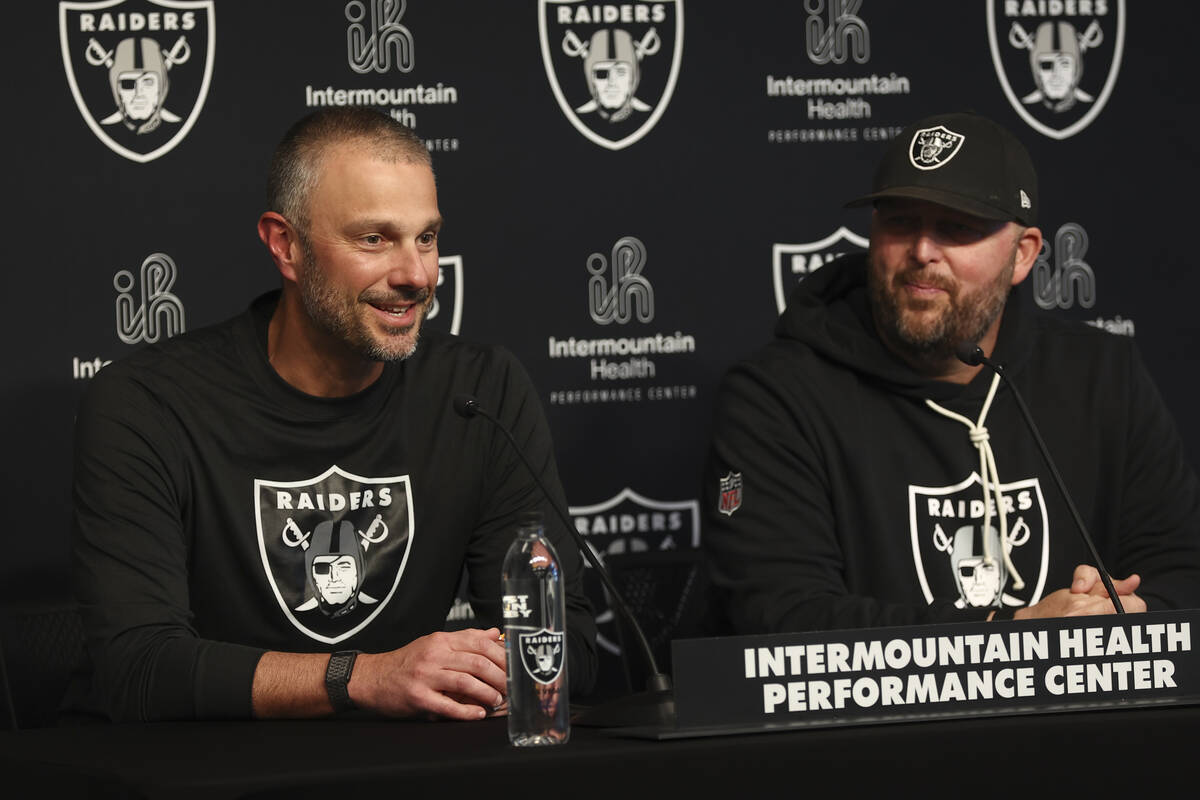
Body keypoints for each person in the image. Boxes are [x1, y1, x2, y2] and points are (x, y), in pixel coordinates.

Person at [70, 107, 597, 723]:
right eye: (374, 239)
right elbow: (136, 670)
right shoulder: (148, 403)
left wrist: (494, 664)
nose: (416, 276)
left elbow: (566, 648)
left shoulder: (482, 391)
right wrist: (365, 676)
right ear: (285, 245)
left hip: (393, 770)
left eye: (425, 238)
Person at [702, 110, 1200, 634]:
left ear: (1024, 255)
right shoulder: (776, 396)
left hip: (1087, 710)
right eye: (899, 222)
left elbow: (1182, 570)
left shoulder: (1101, 375)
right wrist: (1021, 635)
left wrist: (1117, 615)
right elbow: (783, 615)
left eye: (957, 228)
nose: (921, 252)